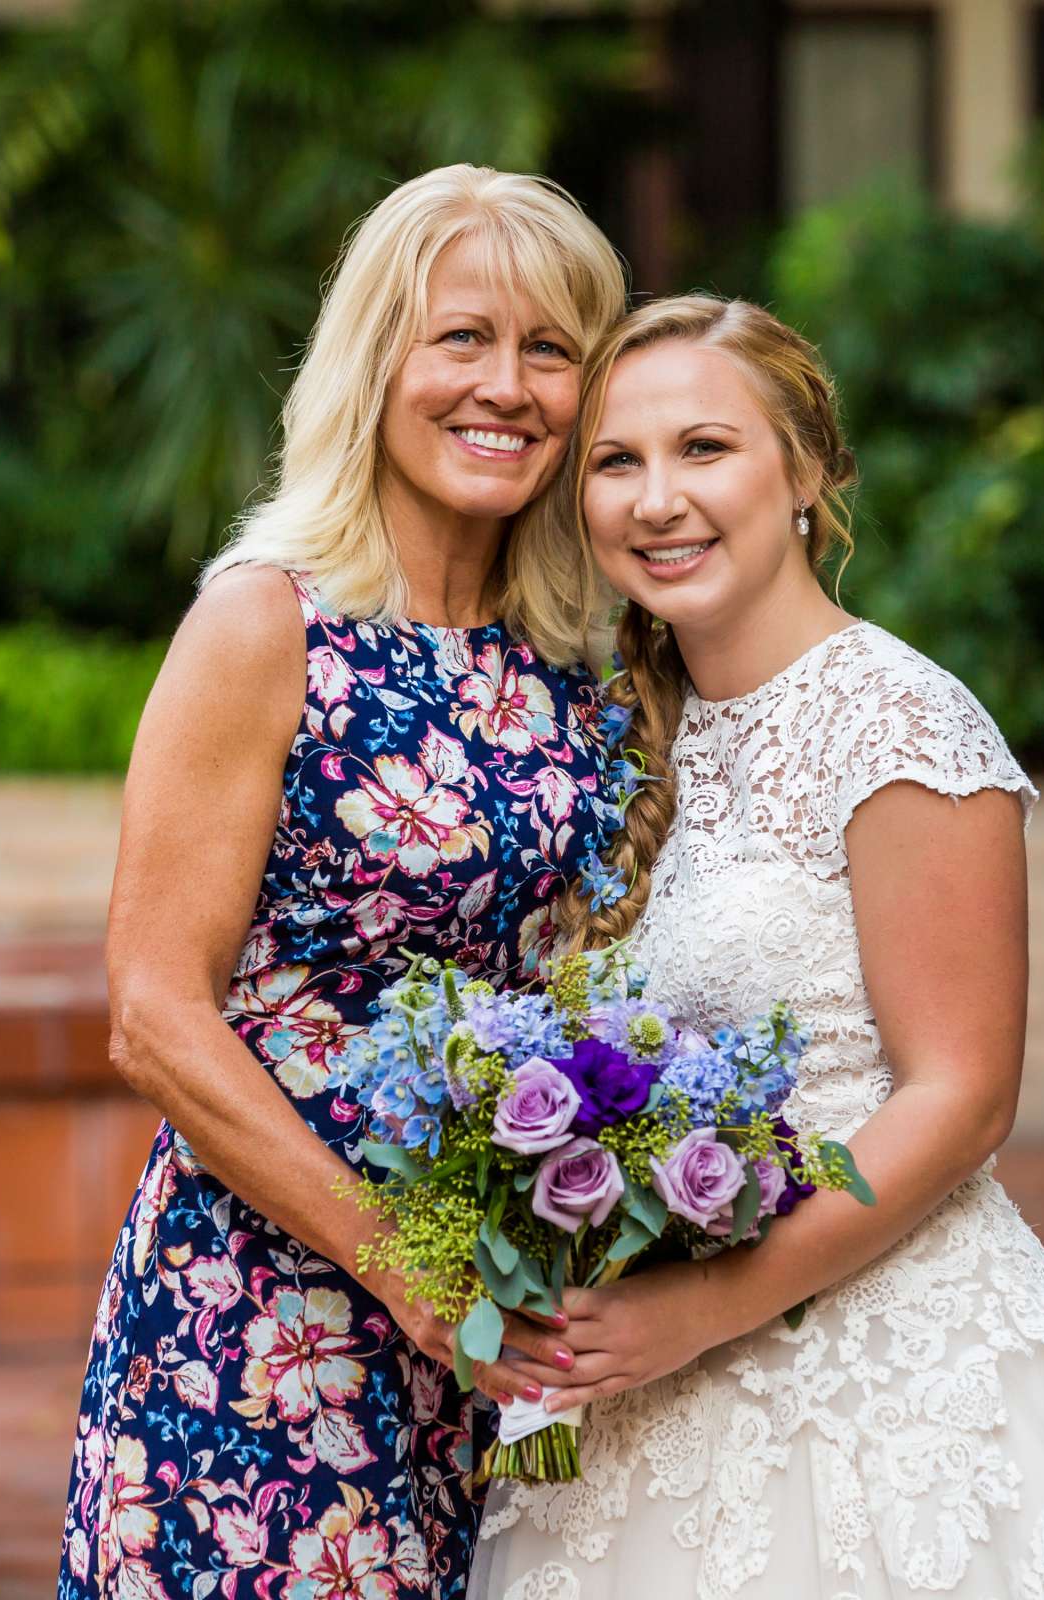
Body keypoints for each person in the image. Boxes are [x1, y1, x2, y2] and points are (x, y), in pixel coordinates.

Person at [472, 296, 1044, 1599]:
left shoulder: (900, 721)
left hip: (874, 1375)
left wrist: (704, 1310)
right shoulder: (611, 738)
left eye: (705, 449)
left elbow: (962, 1097)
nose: (657, 498)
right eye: (616, 463)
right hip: (629, 1407)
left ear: (805, 472)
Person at [59, 166, 627, 1600]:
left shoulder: (574, 661)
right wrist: (402, 1269)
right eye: (464, 340)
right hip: (264, 1324)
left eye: (551, 351)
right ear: (377, 359)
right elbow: (153, 1013)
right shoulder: (267, 622)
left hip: (498, 1328)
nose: (507, 388)